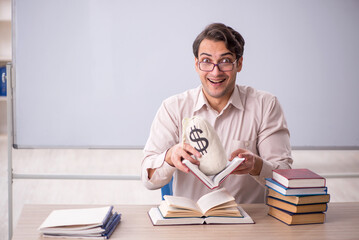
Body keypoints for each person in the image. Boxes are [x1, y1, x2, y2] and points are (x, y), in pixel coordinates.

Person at [141, 23, 293, 203]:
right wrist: (169, 156)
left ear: (239, 64)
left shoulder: (265, 105)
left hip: (248, 222)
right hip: (189, 221)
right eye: (206, 61)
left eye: (225, 61)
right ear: (197, 65)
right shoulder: (173, 107)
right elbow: (148, 179)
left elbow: (285, 176)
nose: (215, 71)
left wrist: (258, 166)